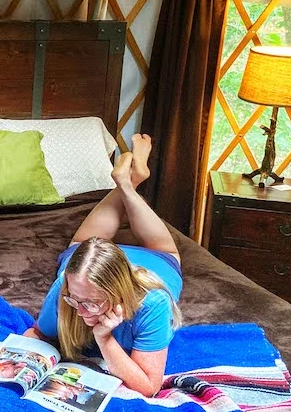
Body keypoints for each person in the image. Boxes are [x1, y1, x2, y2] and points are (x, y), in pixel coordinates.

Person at [22, 134, 182, 398]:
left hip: (158, 261)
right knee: (82, 242)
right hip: (91, 257)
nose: (81, 311)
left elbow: (149, 386)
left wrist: (105, 338)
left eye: (92, 303)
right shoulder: (67, 287)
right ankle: (130, 181)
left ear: (118, 293)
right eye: (76, 301)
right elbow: (39, 333)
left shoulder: (153, 303)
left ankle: (130, 183)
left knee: (168, 249)